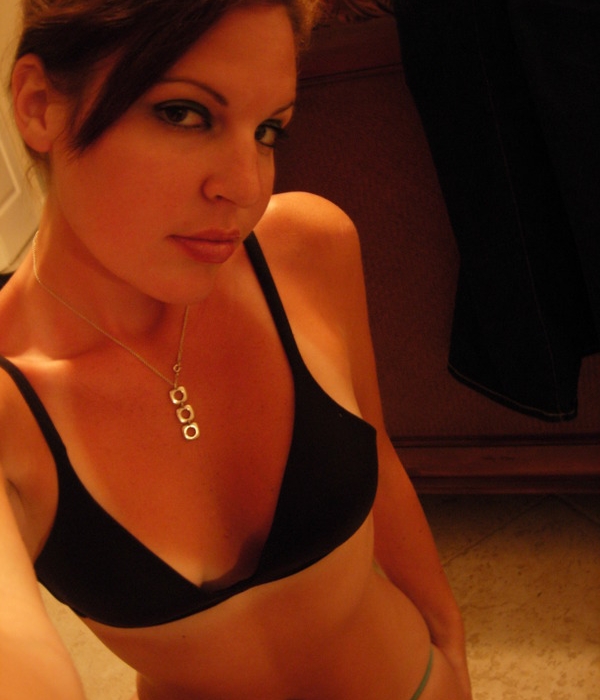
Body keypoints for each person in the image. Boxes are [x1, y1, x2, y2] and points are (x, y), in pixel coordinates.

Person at [0, 1, 472, 698]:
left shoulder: (305, 251)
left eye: (268, 130)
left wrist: (449, 637)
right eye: (184, 113)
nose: (246, 187)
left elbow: (378, 454)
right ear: (40, 105)